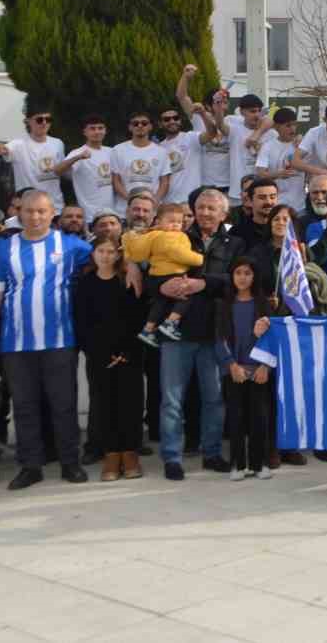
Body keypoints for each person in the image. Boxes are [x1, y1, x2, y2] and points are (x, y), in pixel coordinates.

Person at [0, 190, 93, 490]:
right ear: (20, 213)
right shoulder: (5, 248)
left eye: (41, 211)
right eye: (29, 211)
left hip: (59, 341)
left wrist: (129, 264)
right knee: (25, 407)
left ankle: (70, 462)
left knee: (63, 404)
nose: (35, 217)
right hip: (15, 344)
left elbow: (108, 255)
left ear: (52, 213)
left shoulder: (69, 246)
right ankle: (31, 465)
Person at [152, 188, 235, 481]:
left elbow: (239, 280)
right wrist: (160, 286)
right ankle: (172, 457)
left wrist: (205, 284)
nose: (205, 213)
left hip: (215, 332)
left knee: (214, 398)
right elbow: (155, 272)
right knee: (172, 400)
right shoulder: (176, 237)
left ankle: (211, 453)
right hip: (177, 332)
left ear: (223, 214)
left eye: (212, 208)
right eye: (200, 207)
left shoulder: (234, 243)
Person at [74, 234, 146, 482]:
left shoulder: (128, 280)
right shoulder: (85, 284)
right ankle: (111, 453)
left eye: (111, 251)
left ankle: (130, 452)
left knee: (130, 404)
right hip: (99, 356)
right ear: (93, 254)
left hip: (129, 355)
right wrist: (102, 353)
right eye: (101, 251)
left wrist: (126, 352)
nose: (106, 256)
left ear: (118, 254)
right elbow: (82, 323)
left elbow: (137, 319)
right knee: (105, 405)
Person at [215, 257, 273, 480]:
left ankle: (260, 463)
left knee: (259, 417)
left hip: (258, 369)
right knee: (236, 417)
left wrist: (264, 365)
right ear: (232, 275)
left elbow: (271, 337)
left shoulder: (263, 304)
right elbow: (219, 338)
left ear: (254, 276)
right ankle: (237, 464)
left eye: (247, 273)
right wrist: (231, 364)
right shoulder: (224, 304)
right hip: (234, 369)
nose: (242, 277)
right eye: (238, 272)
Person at [126, 203, 205, 347]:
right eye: (171, 221)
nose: (176, 225)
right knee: (186, 295)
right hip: (172, 273)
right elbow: (179, 254)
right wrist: (199, 259)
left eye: (179, 222)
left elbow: (139, 251)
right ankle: (171, 322)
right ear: (159, 221)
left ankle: (148, 329)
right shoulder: (172, 236)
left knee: (160, 301)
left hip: (156, 274)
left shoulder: (152, 234)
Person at [0, 103, 67, 213]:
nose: (44, 123)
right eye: (39, 120)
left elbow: (63, 171)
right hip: (29, 208)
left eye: (48, 119)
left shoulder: (58, 143)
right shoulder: (17, 144)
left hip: (55, 206)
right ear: (28, 121)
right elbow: (2, 150)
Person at [111, 112, 171, 206]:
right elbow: (116, 181)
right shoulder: (117, 150)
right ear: (130, 127)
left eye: (144, 123)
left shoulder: (162, 152)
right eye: (135, 123)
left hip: (152, 209)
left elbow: (165, 182)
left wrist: (154, 201)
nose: (140, 126)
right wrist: (130, 200)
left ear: (150, 126)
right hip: (124, 208)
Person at [253, 107, 308, 210]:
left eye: (294, 124)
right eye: (288, 125)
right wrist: (278, 174)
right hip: (277, 206)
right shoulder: (268, 146)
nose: (292, 129)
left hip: (301, 206)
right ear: (277, 127)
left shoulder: (302, 144)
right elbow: (260, 174)